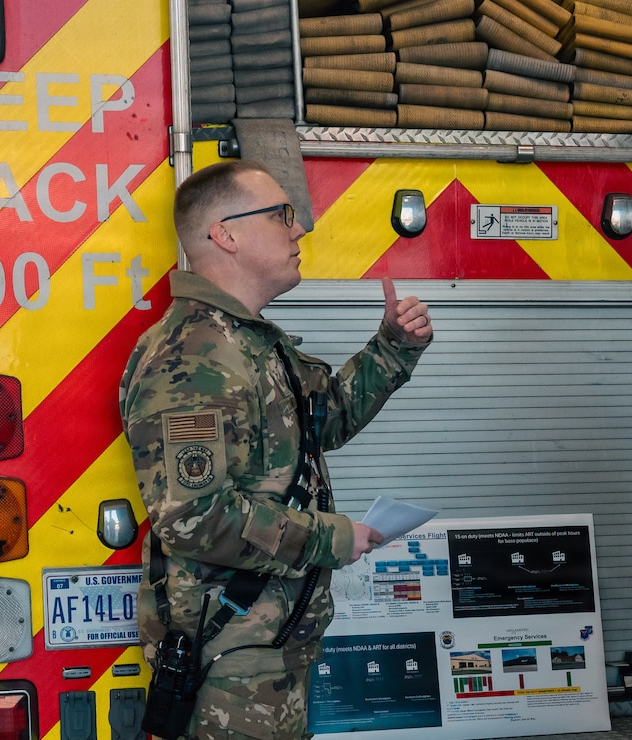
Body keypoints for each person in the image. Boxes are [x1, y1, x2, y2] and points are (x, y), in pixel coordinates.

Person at [120, 159, 433, 739]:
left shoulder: (252, 342)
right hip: (230, 659)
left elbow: (325, 421)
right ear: (226, 234)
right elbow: (196, 518)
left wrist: (393, 348)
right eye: (282, 215)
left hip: (268, 646)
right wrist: (330, 537)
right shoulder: (193, 359)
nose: (299, 229)